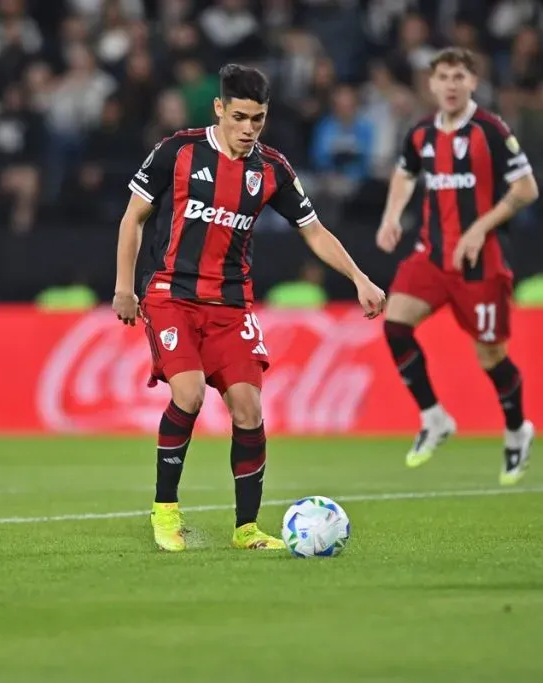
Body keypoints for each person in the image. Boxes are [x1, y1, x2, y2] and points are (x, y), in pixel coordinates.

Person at [112, 64, 387, 552]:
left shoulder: (272, 169)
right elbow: (133, 218)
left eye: (257, 119)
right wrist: (124, 289)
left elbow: (315, 231)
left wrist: (359, 277)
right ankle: (165, 513)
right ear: (219, 109)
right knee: (190, 394)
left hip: (231, 305)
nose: (247, 129)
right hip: (172, 296)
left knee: (248, 408)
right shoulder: (178, 151)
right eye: (238, 117)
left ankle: (246, 530)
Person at [376, 48, 539, 484]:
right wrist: (392, 216)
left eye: (459, 76)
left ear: (473, 82)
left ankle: (517, 430)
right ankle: (434, 418)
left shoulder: (491, 131)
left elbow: (526, 189)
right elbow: (405, 174)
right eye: (443, 76)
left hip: (478, 265)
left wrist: (478, 228)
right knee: (394, 324)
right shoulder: (421, 133)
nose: (450, 84)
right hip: (431, 257)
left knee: (490, 356)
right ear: (431, 84)